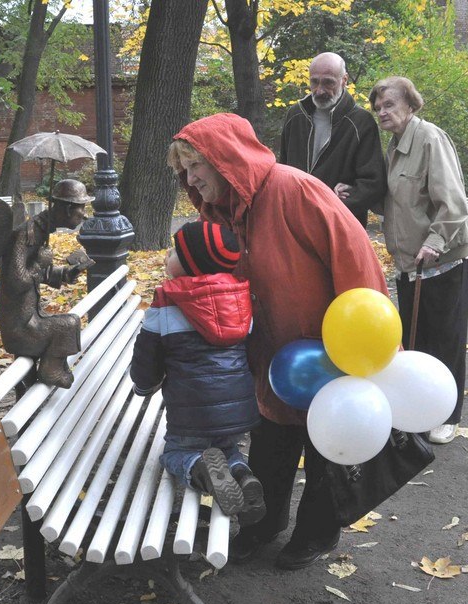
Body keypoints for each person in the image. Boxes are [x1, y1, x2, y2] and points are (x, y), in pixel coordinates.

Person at [168, 113, 389, 570]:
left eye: (196, 167)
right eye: (184, 171)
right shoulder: (221, 212)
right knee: (270, 439)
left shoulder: (293, 188)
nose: (189, 179)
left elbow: (355, 256)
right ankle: (262, 524)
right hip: (270, 356)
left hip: (329, 353)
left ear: (224, 160)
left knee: (327, 446)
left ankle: (316, 533)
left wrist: (368, 349)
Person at [130, 221, 265, 525]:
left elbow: (146, 359)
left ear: (191, 264)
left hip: (190, 415)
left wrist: (143, 386)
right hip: (237, 412)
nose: (168, 254)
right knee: (227, 448)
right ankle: (242, 476)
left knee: (174, 454)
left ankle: (199, 469)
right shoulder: (241, 301)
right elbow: (252, 352)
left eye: (176, 252)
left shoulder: (165, 305)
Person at [369, 76, 468, 445]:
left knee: (444, 339)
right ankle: (423, 409)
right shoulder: (395, 146)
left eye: (389, 105)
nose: (382, 112)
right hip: (410, 263)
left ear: (410, 106)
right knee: (419, 342)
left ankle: (448, 415)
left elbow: (454, 202)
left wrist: (434, 242)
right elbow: (398, 202)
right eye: (378, 107)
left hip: (440, 259)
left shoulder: (430, 138)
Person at [0, 179, 94, 388]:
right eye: (82, 208)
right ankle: (50, 370)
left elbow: (32, 274)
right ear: (68, 208)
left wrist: (63, 274)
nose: (85, 214)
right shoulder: (25, 235)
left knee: (68, 323)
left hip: (31, 319)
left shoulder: (40, 231)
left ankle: (51, 368)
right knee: (69, 323)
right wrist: (39, 263)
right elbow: (16, 281)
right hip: (20, 328)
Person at [278, 52, 387, 229]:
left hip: (340, 226)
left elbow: (373, 184)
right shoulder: (295, 115)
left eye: (328, 82)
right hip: (295, 223)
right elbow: (283, 169)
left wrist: (337, 203)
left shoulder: (361, 122)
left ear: (344, 80)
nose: (319, 90)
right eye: (314, 81)